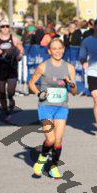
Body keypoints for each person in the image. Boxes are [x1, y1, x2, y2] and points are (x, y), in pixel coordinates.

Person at [28, 37, 77, 179]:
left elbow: (74, 92)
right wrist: (39, 93)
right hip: (46, 106)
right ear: (49, 51)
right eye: (54, 49)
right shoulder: (43, 66)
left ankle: (53, 167)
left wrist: (71, 83)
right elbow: (31, 83)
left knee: (58, 140)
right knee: (50, 139)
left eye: (60, 48)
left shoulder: (69, 68)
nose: (57, 51)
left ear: (64, 49)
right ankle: (41, 161)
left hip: (61, 107)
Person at [0, 19, 24, 123]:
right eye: (3, 26)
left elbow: (22, 50)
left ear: (9, 27)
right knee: (2, 92)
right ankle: (6, 112)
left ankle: (11, 99)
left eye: (7, 26)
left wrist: (19, 56)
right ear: (0, 28)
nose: (5, 28)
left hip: (11, 68)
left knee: (11, 91)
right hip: (0, 69)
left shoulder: (14, 39)